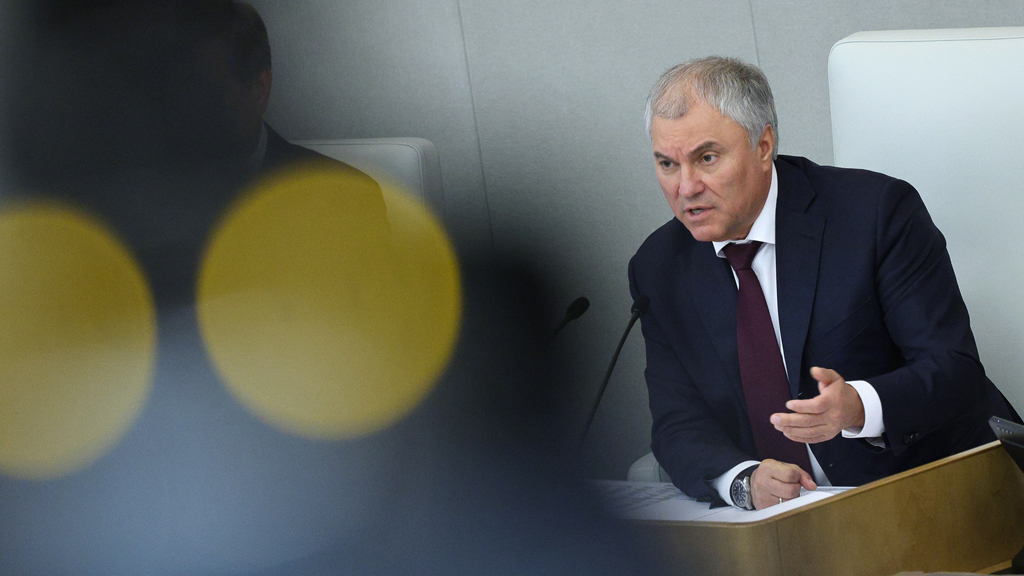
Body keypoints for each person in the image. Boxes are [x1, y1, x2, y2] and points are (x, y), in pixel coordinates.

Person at [627, 56, 1017, 510]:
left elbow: (954, 369)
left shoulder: (873, 214)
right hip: (792, 521)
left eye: (707, 158)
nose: (686, 187)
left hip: (942, 490)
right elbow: (677, 422)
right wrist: (744, 481)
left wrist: (860, 406)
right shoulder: (659, 266)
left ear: (763, 145)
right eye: (667, 164)